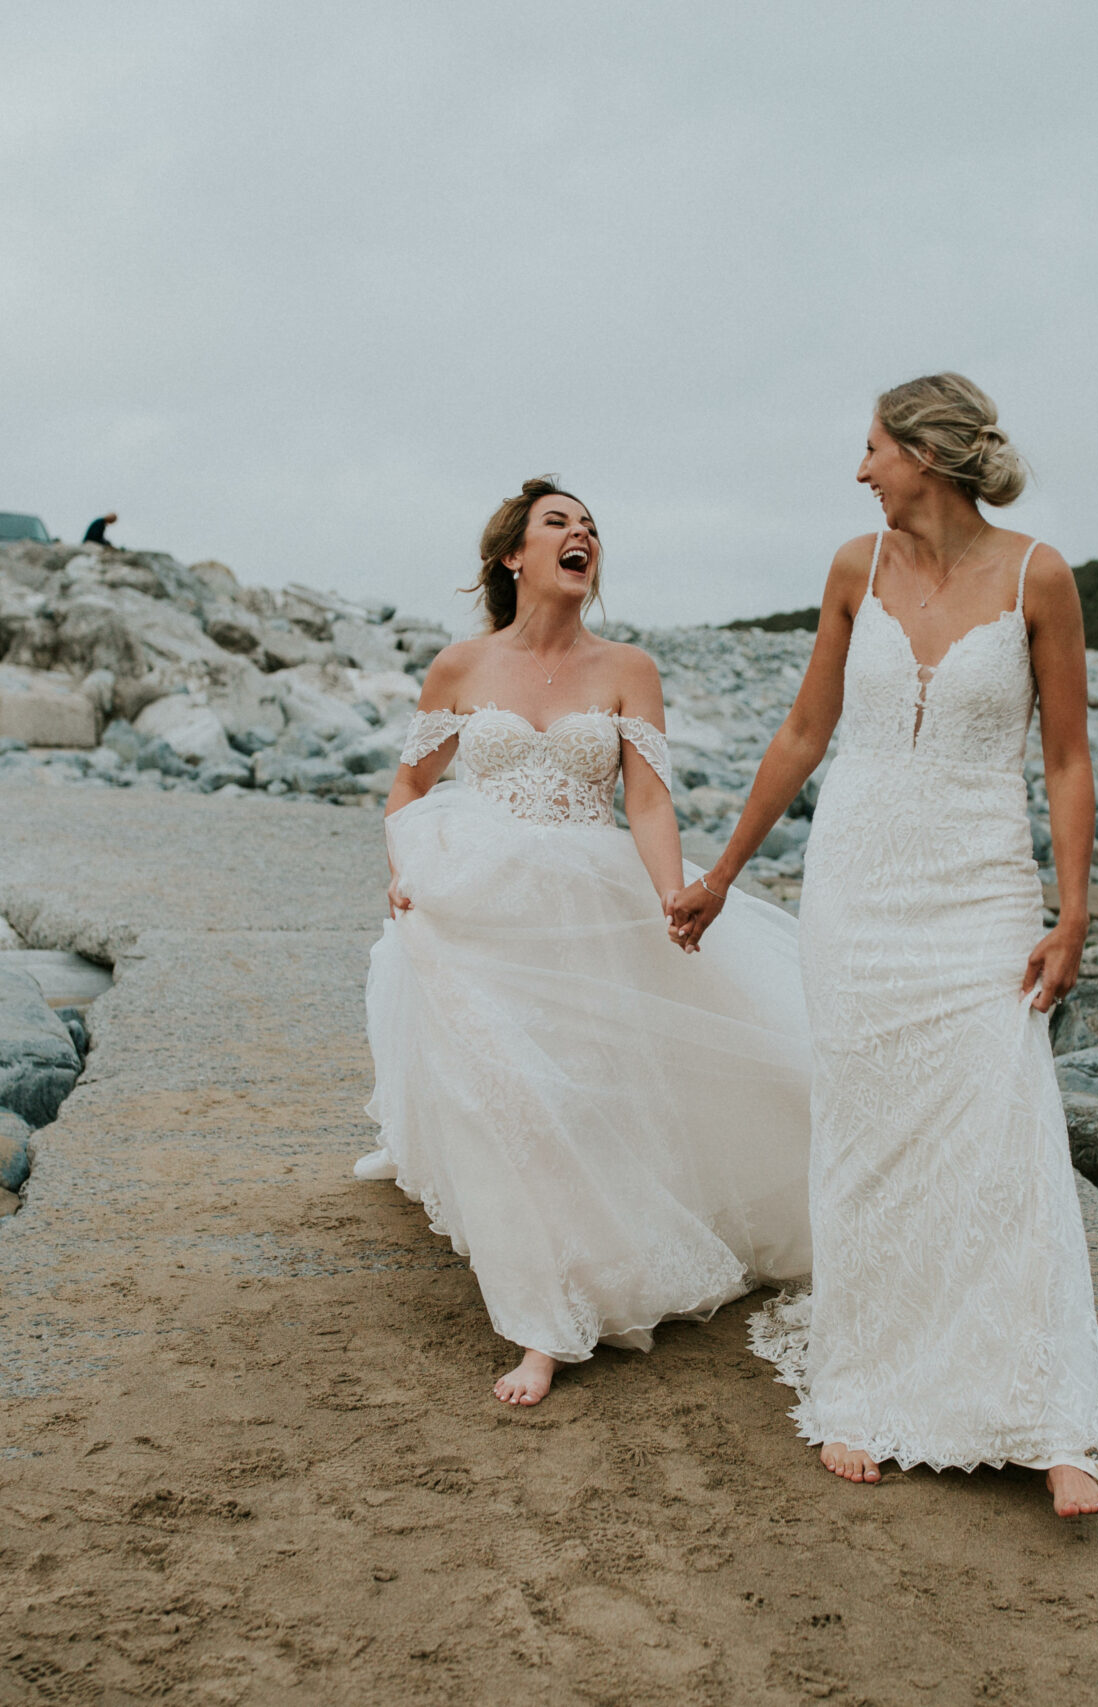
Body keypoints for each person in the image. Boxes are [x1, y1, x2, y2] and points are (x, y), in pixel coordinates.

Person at [667, 375, 1098, 1518]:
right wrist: (721, 871)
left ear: (928, 452)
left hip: (979, 885)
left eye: (872, 449)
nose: (860, 471)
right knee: (868, 1138)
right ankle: (865, 1384)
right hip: (857, 887)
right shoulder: (850, 569)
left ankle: (1045, 1414)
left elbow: (1065, 758)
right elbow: (806, 731)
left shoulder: (1039, 575)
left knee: (1000, 1127)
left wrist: (1071, 912)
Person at [361, 477, 813, 1407]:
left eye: (592, 528)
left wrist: (670, 894)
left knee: (587, 1084)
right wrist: (403, 870)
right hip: (476, 903)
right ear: (512, 557)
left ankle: (591, 1262)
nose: (582, 536)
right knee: (507, 1099)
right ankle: (544, 1318)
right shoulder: (460, 667)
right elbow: (408, 789)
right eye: (558, 524)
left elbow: (647, 797)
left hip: (586, 897)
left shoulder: (627, 668)